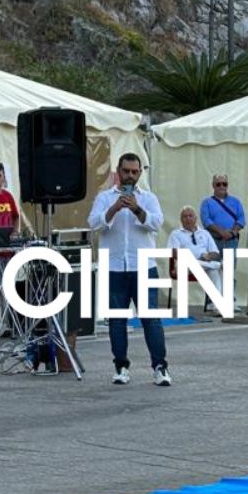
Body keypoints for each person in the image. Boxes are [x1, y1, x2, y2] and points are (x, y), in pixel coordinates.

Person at [87, 152, 168, 385]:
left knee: (150, 319)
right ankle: (121, 366)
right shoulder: (105, 197)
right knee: (117, 320)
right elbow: (93, 223)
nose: (130, 176)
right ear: (118, 172)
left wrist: (136, 209)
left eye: (134, 172)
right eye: (126, 171)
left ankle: (160, 367)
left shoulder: (149, 198)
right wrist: (114, 209)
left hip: (144, 266)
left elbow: (156, 223)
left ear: (140, 173)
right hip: (114, 267)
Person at [168, 206, 223, 317]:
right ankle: (216, 266)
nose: (188, 219)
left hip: (203, 264)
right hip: (184, 265)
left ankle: (216, 306)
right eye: (185, 216)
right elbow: (173, 253)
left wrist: (208, 256)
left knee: (214, 273)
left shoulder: (205, 233)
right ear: (181, 219)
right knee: (215, 267)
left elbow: (216, 253)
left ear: (195, 218)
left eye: (190, 216)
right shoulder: (176, 234)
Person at [199, 174, 245, 278]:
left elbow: (241, 219)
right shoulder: (206, 203)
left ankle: (229, 294)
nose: (221, 186)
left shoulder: (236, 202)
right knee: (212, 270)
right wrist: (221, 232)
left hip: (231, 241)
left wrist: (233, 232)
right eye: (218, 184)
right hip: (213, 241)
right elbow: (206, 220)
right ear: (213, 185)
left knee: (229, 272)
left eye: (224, 184)